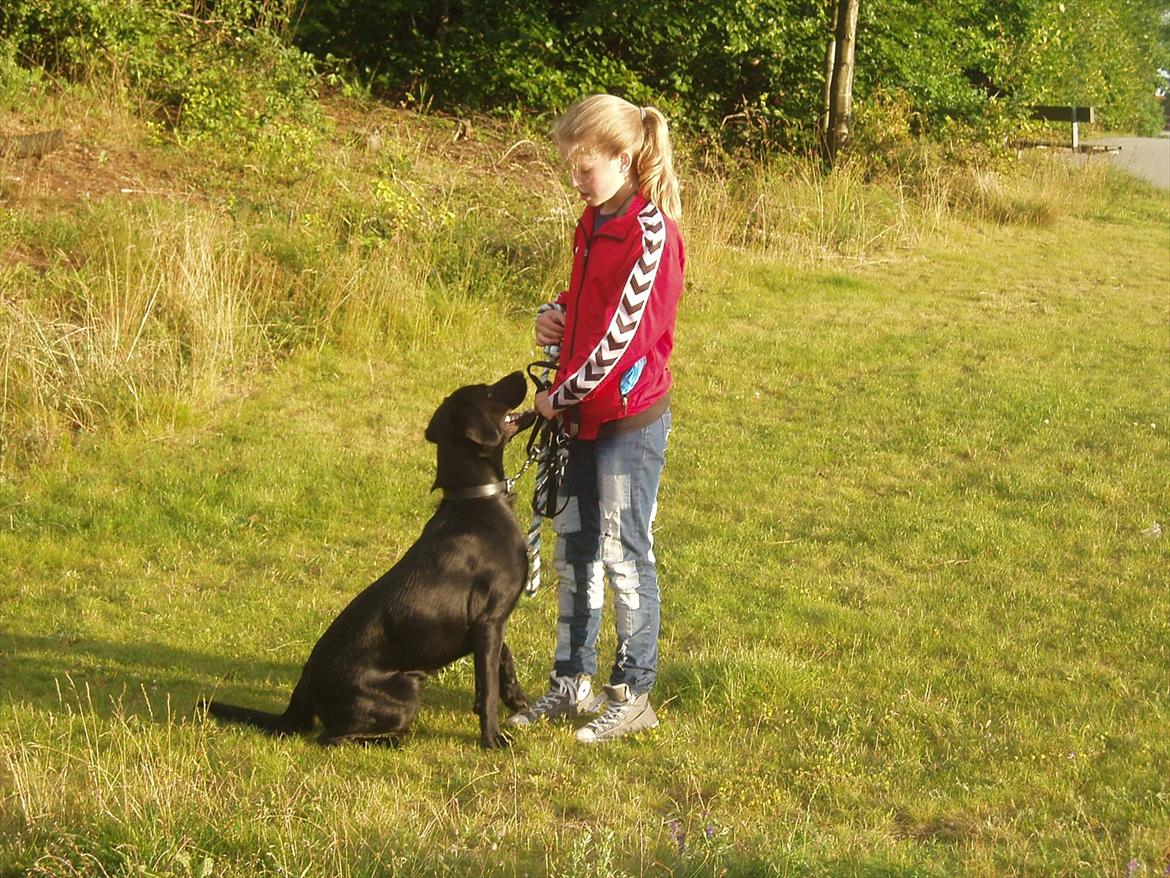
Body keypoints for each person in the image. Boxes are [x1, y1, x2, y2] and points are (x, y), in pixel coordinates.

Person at [507, 94, 685, 743]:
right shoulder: (595, 219)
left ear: (622, 156)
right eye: (572, 167)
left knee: (623, 553)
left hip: (625, 424)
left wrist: (558, 397)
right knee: (575, 550)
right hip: (581, 417)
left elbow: (622, 340)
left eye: (584, 167)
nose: (575, 179)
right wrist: (550, 313)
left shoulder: (650, 232)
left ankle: (634, 692)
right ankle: (570, 683)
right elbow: (589, 303)